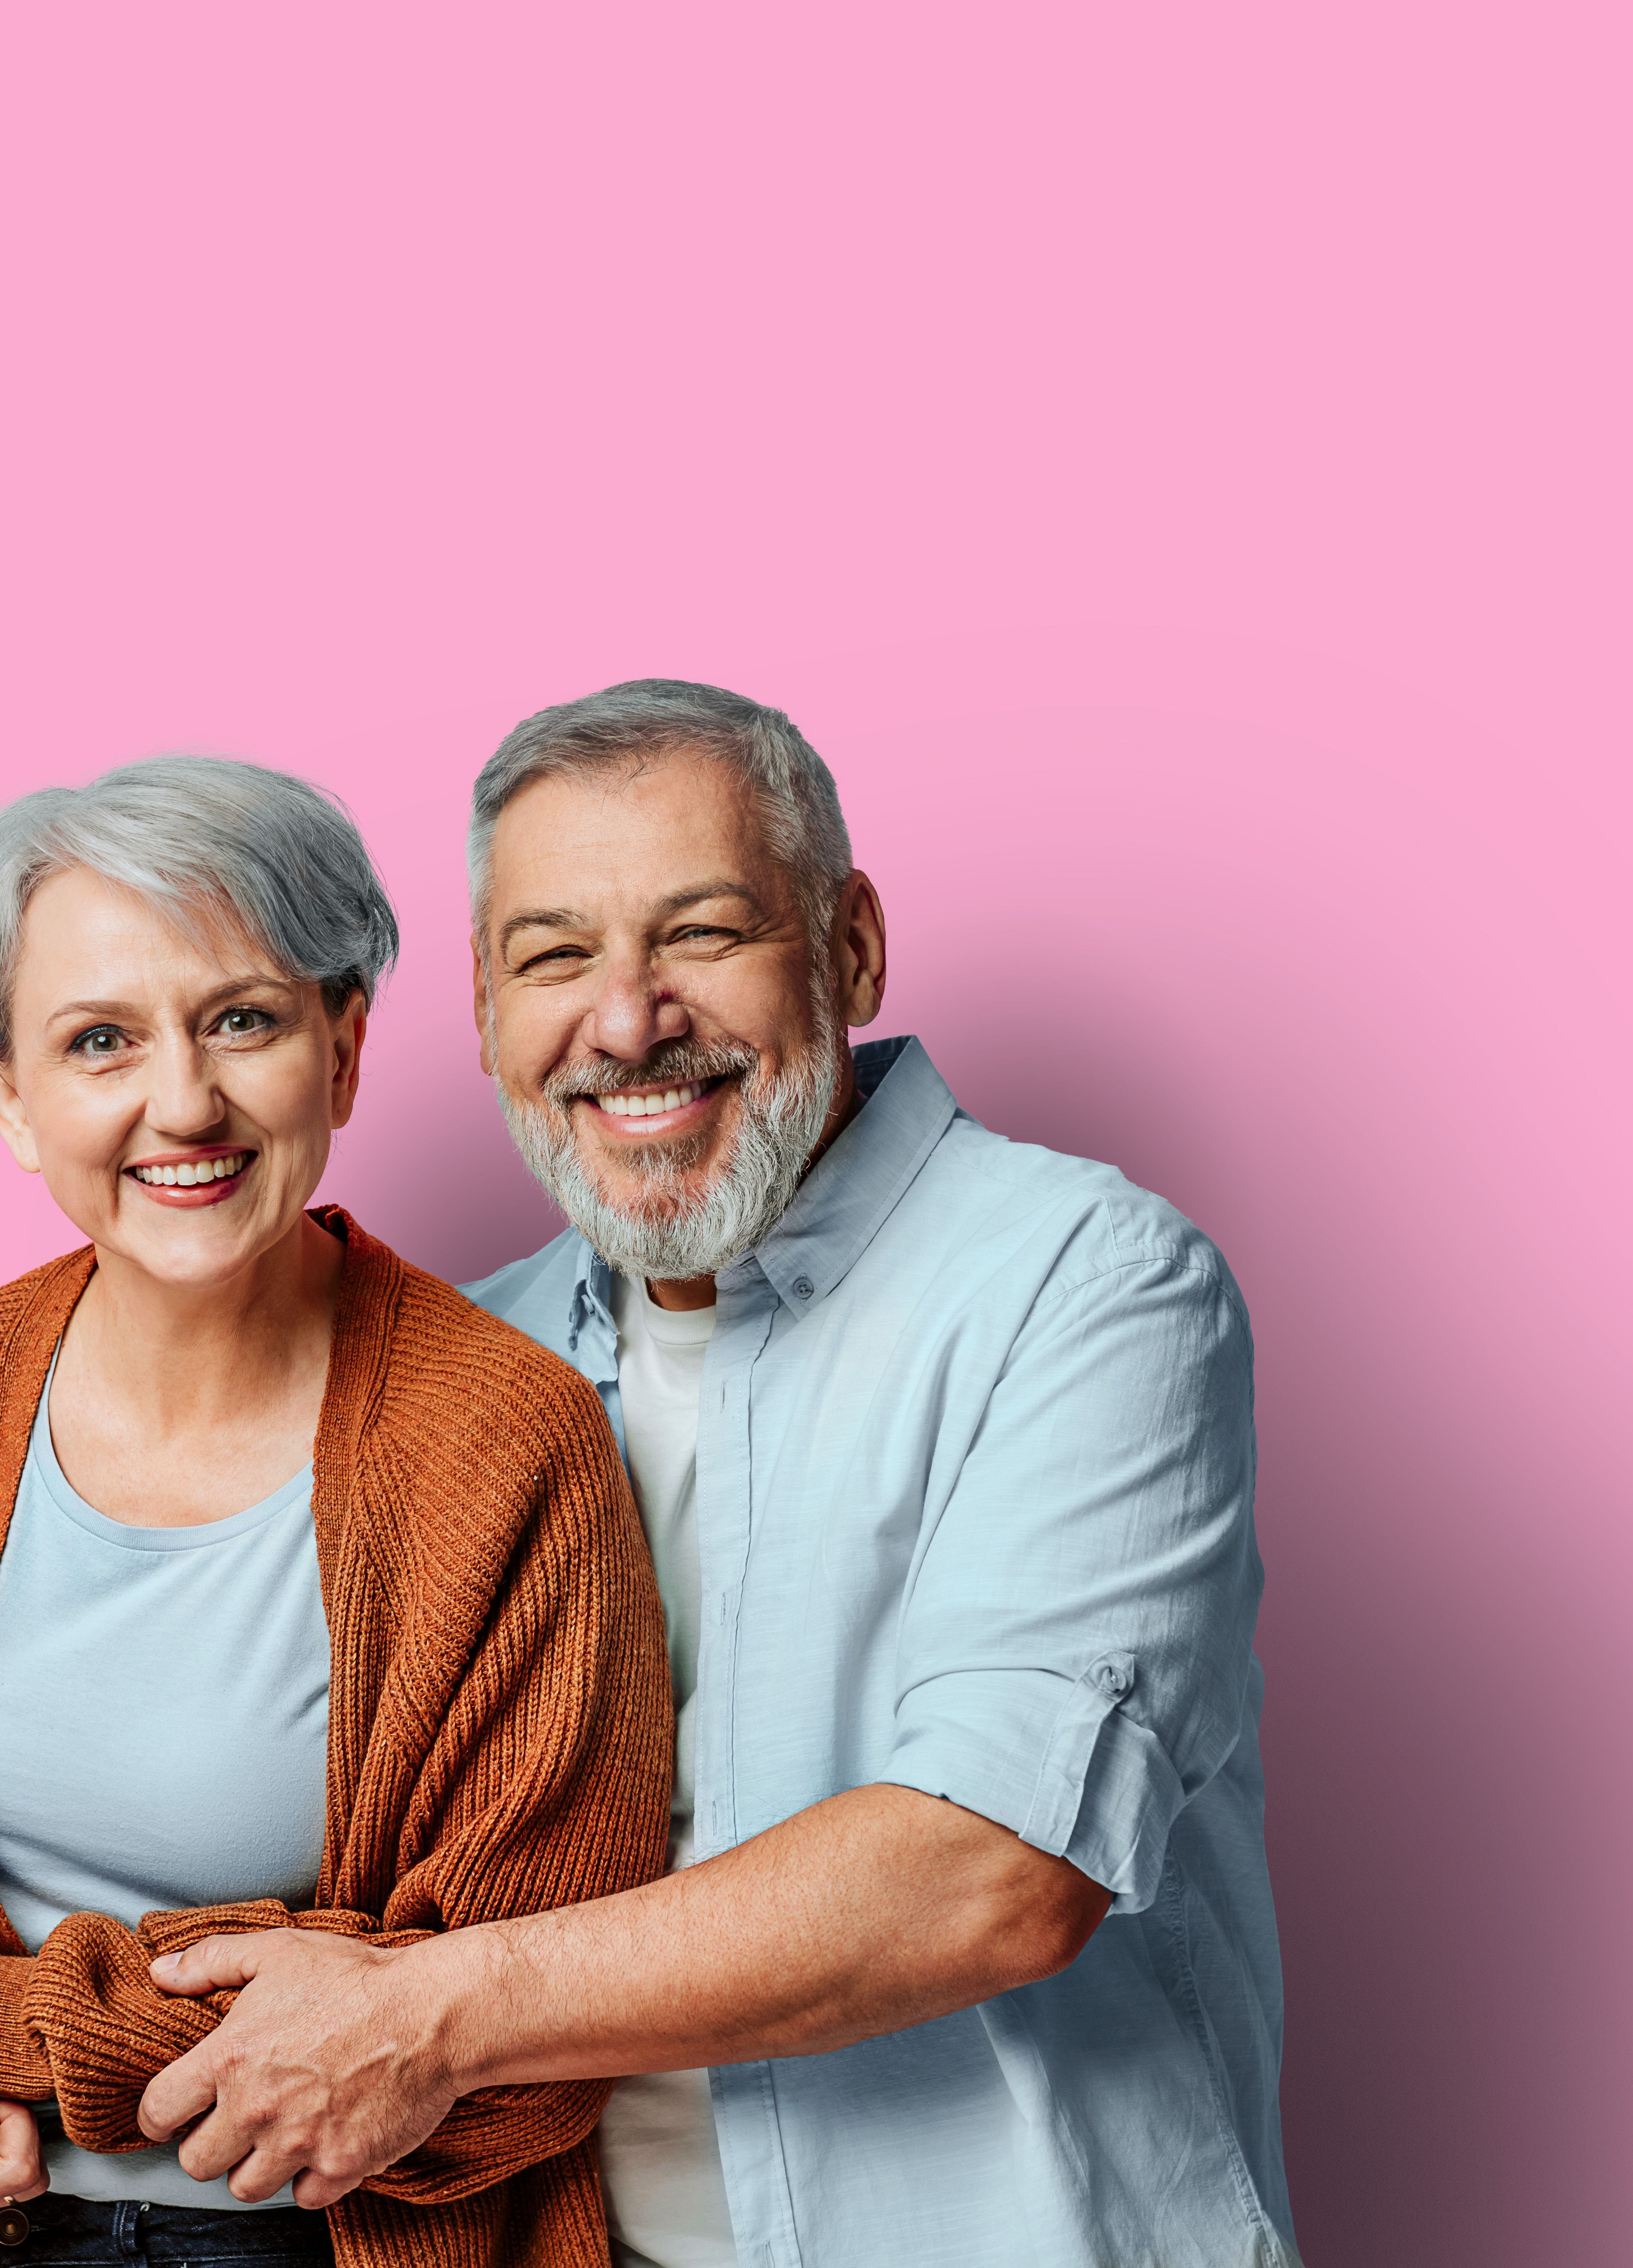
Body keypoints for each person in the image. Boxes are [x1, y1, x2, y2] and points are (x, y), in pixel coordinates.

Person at [118, 684, 1299, 2267]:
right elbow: (252, 1827)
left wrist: (433, 2017)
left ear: (852, 946)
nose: (624, 1022)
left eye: (704, 933)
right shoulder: (458, 1363)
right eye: (554, 957)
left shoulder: (1087, 1284)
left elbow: (994, 1872)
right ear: (480, 1009)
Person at [0, 755, 677, 2268]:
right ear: (9, 1095)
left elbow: (524, 2029)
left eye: (242, 1020)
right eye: (100, 1041)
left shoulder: (507, 1446)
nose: (181, 1102)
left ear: (346, 1045)